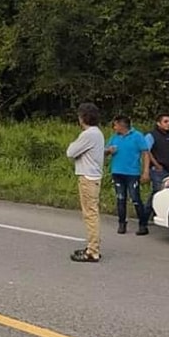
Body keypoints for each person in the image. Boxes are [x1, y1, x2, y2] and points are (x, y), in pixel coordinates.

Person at [67, 103, 105, 263]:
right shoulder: (98, 133)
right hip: (94, 177)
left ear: (83, 118)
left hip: (88, 178)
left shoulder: (88, 134)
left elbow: (70, 152)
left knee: (90, 215)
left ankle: (92, 251)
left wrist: (73, 145)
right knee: (92, 213)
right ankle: (92, 246)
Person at [106, 115, 151, 236]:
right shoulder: (114, 137)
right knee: (120, 198)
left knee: (135, 198)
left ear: (122, 125)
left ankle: (142, 224)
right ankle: (122, 223)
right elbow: (104, 152)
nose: (114, 127)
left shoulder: (137, 136)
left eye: (115, 125)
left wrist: (146, 171)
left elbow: (145, 153)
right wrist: (109, 151)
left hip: (132, 173)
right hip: (117, 172)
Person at [145, 113, 169, 220]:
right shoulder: (151, 136)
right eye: (165, 121)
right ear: (158, 123)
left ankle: (160, 214)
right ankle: (145, 215)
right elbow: (147, 151)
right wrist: (156, 164)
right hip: (158, 170)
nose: (168, 124)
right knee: (158, 192)